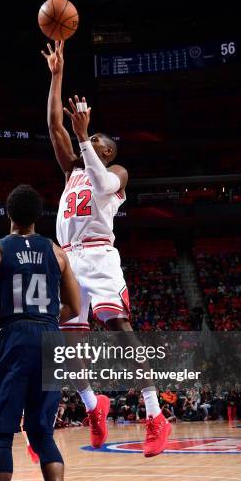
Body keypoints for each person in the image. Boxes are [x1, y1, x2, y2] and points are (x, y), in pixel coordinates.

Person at [42, 40, 171, 457]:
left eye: (99, 140)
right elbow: (52, 127)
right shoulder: (71, 169)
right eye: (90, 137)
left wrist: (84, 139)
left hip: (99, 257)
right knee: (68, 346)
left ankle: (155, 415)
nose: (92, 140)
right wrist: (57, 76)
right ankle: (93, 406)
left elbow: (102, 184)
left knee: (121, 333)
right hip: (67, 259)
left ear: (108, 151)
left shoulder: (117, 172)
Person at [0, 184, 80, 481]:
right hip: (50, 336)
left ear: (9, 214)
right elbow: (76, 304)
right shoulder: (57, 252)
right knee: (42, 433)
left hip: (14, 338)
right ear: (38, 216)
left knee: (1, 435)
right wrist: (47, 323)